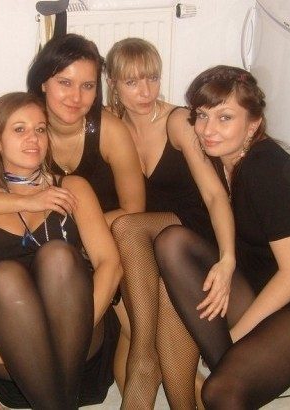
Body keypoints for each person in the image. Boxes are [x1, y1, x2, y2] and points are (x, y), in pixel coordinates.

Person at [0, 33, 145, 390]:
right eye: (65, 82)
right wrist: (28, 202)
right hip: (12, 325)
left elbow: (121, 239)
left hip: (77, 298)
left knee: (60, 258)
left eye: (87, 86)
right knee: (7, 277)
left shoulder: (87, 166)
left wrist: (81, 228)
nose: (76, 97)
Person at [155, 65, 290, 409]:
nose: (207, 130)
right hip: (258, 275)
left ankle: (226, 361)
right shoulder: (219, 157)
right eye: (202, 115)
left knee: (221, 392)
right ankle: (225, 362)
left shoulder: (266, 170)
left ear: (252, 124)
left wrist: (236, 336)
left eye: (225, 118)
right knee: (172, 241)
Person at [0, 92, 123, 409]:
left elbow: (110, 264)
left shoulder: (72, 188)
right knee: (5, 277)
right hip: (11, 340)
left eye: (40, 129)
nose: (33, 138)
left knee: (59, 257)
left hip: (76, 334)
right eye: (19, 129)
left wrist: (81, 325)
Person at [105, 38, 236, 409]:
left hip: (193, 234)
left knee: (126, 227)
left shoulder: (177, 121)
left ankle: (144, 355)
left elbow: (215, 195)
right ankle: (167, 385)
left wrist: (228, 258)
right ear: (113, 83)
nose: (146, 92)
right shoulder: (111, 125)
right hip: (152, 244)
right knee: (157, 295)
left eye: (152, 78)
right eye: (132, 82)